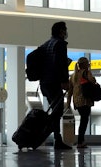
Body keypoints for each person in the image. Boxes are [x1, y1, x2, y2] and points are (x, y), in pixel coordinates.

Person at [40, 21, 72, 150]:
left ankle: (55, 137)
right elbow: (60, 64)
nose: (66, 32)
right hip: (54, 82)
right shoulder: (60, 44)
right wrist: (65, 80)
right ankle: (56, 139)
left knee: (55, 111)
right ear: (61, 31)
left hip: (44, 83)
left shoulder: (46, 44)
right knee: (57, 111)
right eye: (65, 29)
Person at [66, 57, 96, 148]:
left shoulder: (73, 76)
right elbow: (93, 81)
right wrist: (89, 71)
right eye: (88, 64)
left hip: (77, 102)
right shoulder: (86, 73)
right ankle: (80, 141)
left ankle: (81, 141)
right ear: (85, 64)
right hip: (85, 101)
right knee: (84, 121)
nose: (89, 65)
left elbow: (69, 91)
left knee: (83, 120)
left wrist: (68, 103)